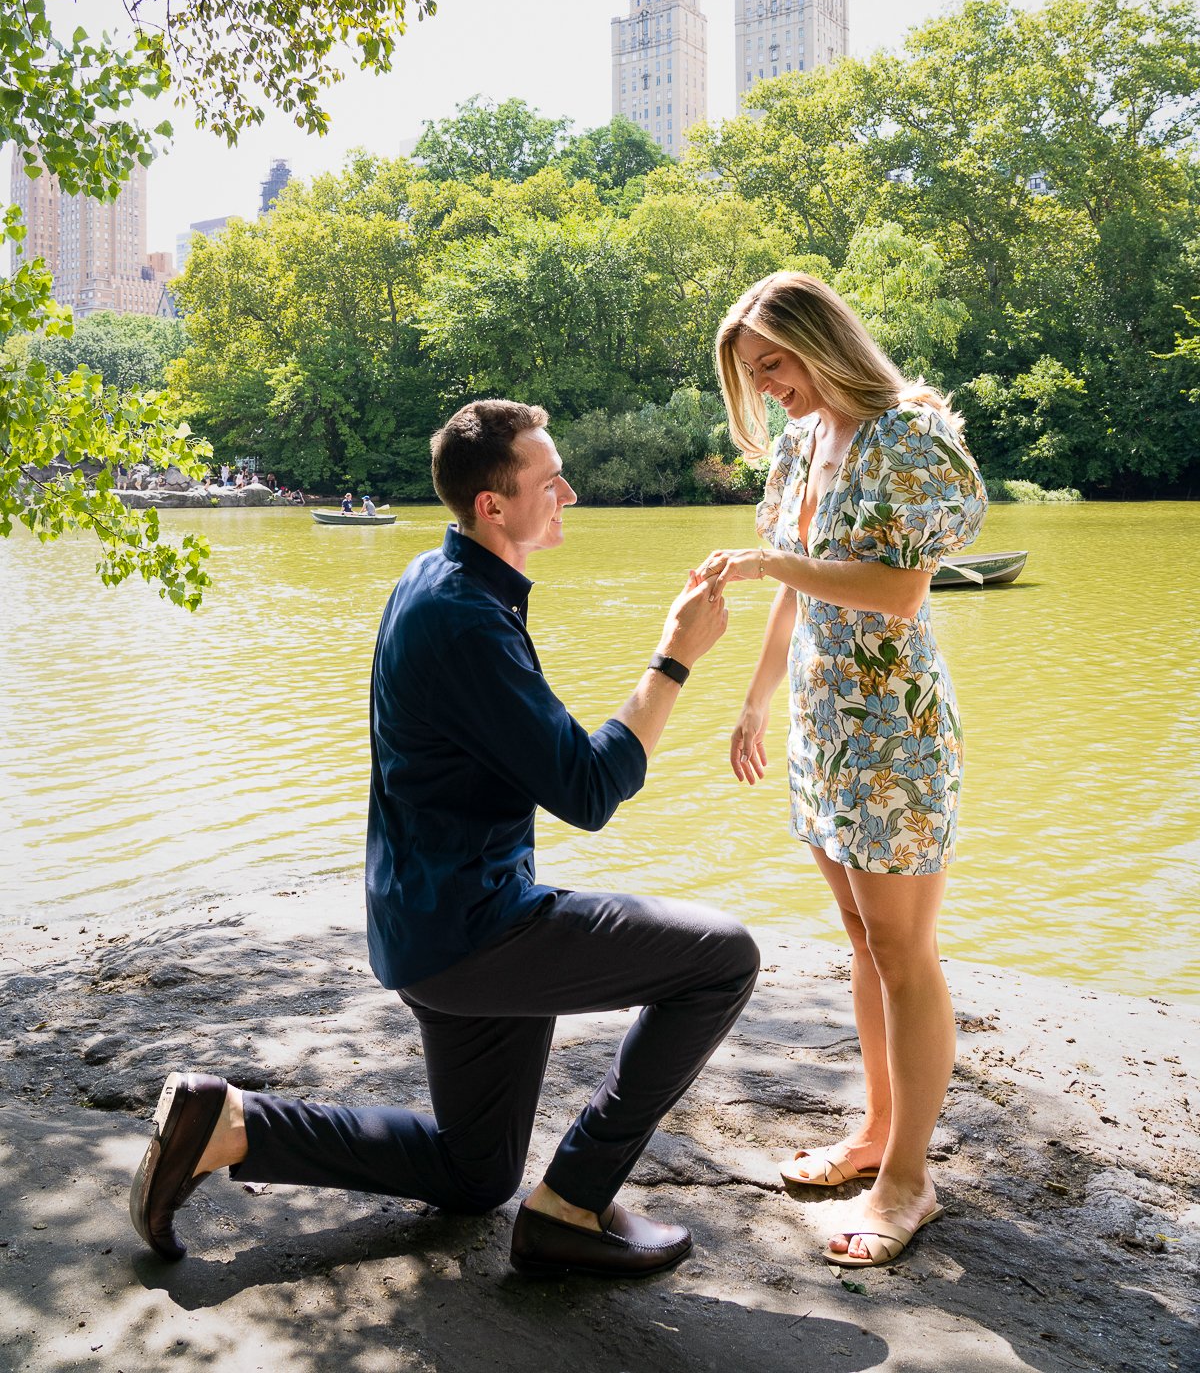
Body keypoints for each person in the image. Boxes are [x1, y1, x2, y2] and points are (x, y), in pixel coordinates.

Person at [130, 399, 758, 1278]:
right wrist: (672, 657)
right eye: (550, 480)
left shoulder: (434, 577)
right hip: (476, 932)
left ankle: (232, 1124)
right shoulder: (466, 617)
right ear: (494, 506)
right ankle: (574, 1202)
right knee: (723, 958)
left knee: (475, 1174)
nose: (569, 493)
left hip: (426, 925)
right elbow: (587, 788)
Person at [696, 271, 987, 1271]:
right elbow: (793, 586)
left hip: (896, 727)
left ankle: (910, 1178)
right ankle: (874, 1135)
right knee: (863, 940)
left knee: (904, 950)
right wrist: (753, 701)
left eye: (775, 363)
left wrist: (773, 567)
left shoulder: (902, 440)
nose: (768, 385)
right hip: (827, 727)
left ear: (823, 342)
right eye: (752, 373)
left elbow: (897, 593)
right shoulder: (799, 443)